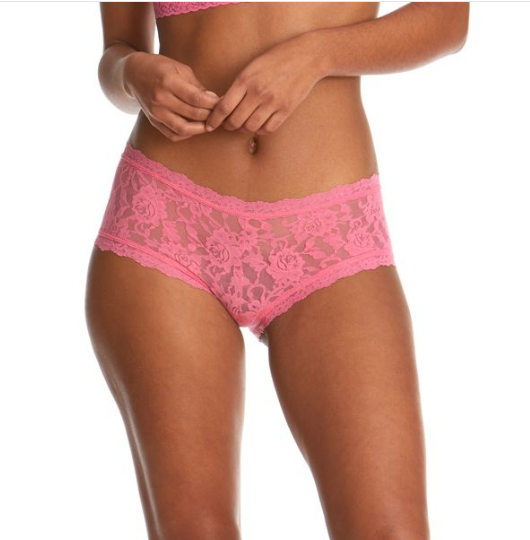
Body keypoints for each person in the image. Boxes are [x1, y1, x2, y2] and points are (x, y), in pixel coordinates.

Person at [84, 2, 469, 539]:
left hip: (330, 235)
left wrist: (318, 53)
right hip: (167, 223)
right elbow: (115, 54)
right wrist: (132, 73)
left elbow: (449, 20)